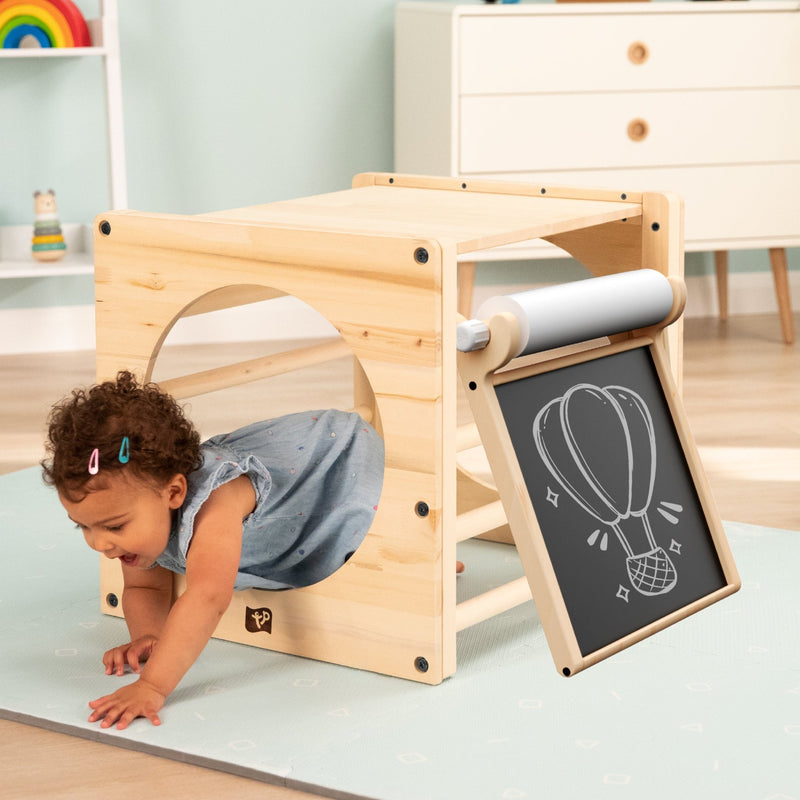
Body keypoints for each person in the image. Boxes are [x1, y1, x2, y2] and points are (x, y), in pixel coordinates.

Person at [42, 371, 384, 730]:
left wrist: (152, 684)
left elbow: (208, 596)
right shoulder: (145, 517)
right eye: (82, 525)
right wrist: (150, 636)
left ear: (174, 493)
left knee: (373, 542)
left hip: (336, 464)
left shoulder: (215, 501)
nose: (99, 544)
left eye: (114, 526)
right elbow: (145, 587)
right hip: (296, 513)